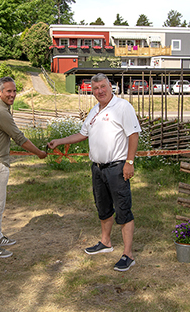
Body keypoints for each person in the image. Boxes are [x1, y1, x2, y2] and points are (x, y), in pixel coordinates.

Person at [48, 73, 140, 271]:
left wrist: (129, 162)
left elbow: (133, 134)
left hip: (117, 167)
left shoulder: (122, 107)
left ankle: (128, 254)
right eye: (96, 88)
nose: (100, 91)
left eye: (103, 87)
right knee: (103, 207)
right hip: (97, 168)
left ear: (110, 86)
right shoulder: (94, 111)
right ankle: (105, 243)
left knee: (123, 208)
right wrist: (60, 141)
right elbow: (82, 134)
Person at [0, 76, 47, 258]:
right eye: (9, 91)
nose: (13, 94)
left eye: (15, 91)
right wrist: (39, 153)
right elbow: (19, 138)